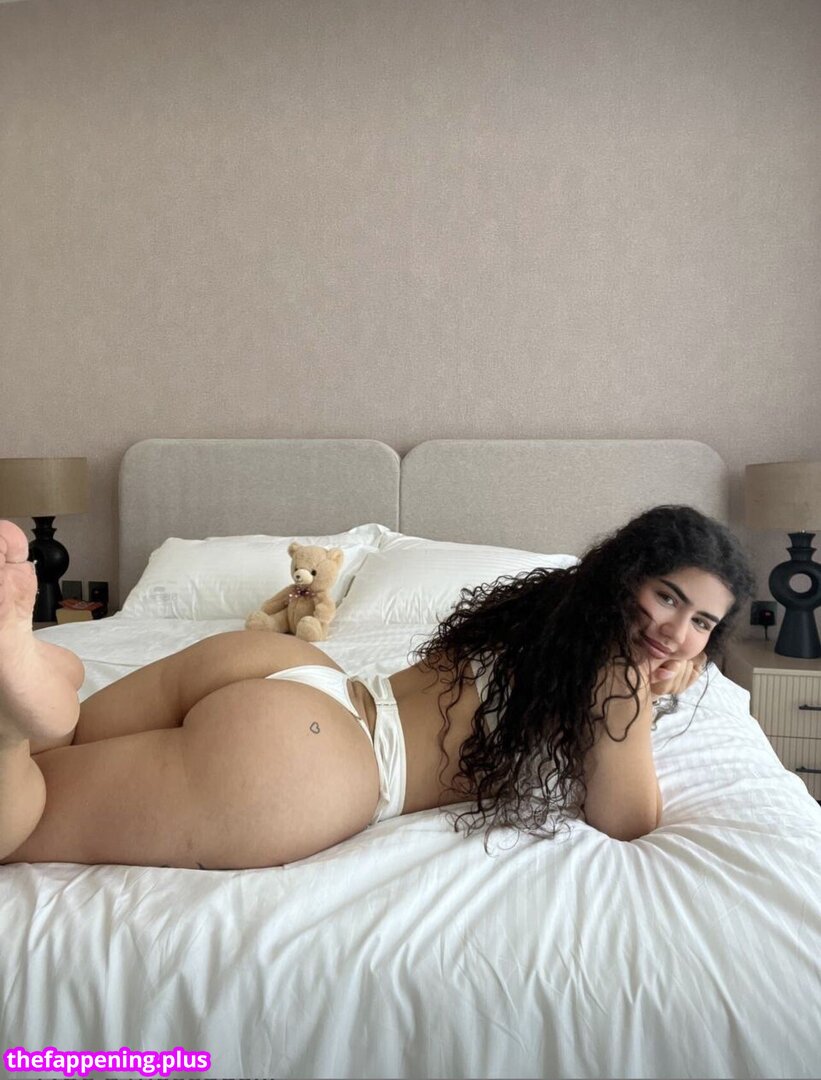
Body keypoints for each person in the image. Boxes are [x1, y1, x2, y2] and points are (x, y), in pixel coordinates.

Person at [0, 505, 754, 869]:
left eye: (700, 624)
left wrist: (669, 668)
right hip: (320, 758)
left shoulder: (546, 605)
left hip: (282, 667)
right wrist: (647, 693)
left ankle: (31, 671)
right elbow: (631, 820)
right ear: (628, 577)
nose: (674, 631)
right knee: (23, 819)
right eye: (666, 598)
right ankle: (6, 722)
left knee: (58, 735)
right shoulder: (615, 679)